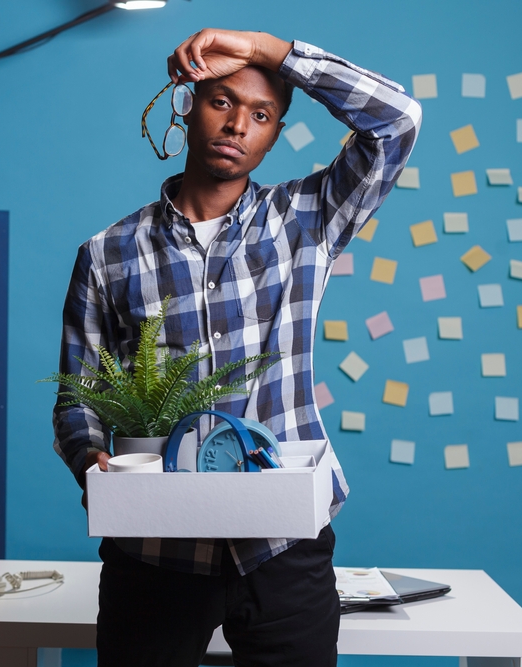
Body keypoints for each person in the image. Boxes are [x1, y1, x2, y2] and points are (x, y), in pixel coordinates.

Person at [52, 28, 421, 667]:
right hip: (155, 550)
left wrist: (261, 49)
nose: (238, 125)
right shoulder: (108, 253)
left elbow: (397, 121)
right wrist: (91, 462)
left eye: (261, 115)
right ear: (188, 105)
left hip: (283, 546)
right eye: (222, 102)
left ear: (275, 135)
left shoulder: (306, 219)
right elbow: (77, 396)